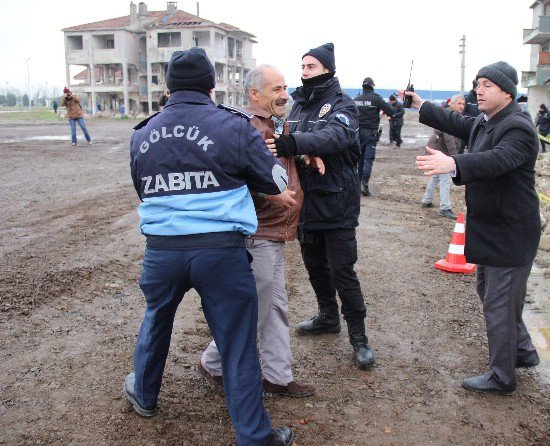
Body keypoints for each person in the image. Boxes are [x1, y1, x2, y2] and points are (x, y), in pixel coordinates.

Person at [124, 47, 294, 446]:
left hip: (162, 251)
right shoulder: (233, 126)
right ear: (211, 83)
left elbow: (142, 188)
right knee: (236, 341)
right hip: (220, 251)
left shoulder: (142, 133)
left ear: (167, 85)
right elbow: (277, 183)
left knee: (156, 320)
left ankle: (144, 395)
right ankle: (254, 436)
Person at [407, 60, 541, 395]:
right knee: (495, 295)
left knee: (499, 302)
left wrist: (454, 163)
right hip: (494, 227)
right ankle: (523, 351)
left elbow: (497, 160)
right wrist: (421, 104)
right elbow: (458, 122)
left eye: (487, 85)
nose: (478, 90)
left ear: (507, 93)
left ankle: (502, 378)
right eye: (477, 83)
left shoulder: (518, 128)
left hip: (510, 231)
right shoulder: (487, 120)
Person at [198, 64, 317, 399]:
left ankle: (278, 376)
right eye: (276, 89)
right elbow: (234, 176)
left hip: (276, 231)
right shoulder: (247, 127)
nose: (285, 95)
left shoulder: (275, 124)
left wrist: (307, 152)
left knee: (275, 306)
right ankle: (213, 363)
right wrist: (269, 194)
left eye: (284, 88)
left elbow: (286, 153)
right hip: (258, 231)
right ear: (254, 94)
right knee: (255, 309)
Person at [267, 43, 375, 370]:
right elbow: (285, 136)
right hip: (306, 201)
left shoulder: (343, 105)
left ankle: (359, 337)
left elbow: (336, 137)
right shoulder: (299, 105)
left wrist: (296, 144)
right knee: (314, 265)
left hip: (337, 200)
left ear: (327, 69)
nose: (304, 72)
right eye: (302, 66)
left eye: (311, 66)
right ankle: (328, 316)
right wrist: (303, 152)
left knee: (343, 270)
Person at [420, 94, 465, 219]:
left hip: (438, 151)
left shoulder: (453, 116)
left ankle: (426, 200)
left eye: (463, 104)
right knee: (445, 179)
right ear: (452, 104)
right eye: (459, 103)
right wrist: (455, 158)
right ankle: (445, 208)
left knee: (436, 177)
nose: (462, 106)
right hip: (441, 152)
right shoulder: (449, 117)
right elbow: (449, 138)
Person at [354, 76, 398, 196]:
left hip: (358, 134)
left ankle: (358, 185)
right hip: (370, 133)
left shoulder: (356, 99)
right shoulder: (376, 98)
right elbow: (391, 111)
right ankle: (364, 184)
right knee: (368, 159)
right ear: (373, 86)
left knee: (360, 159)